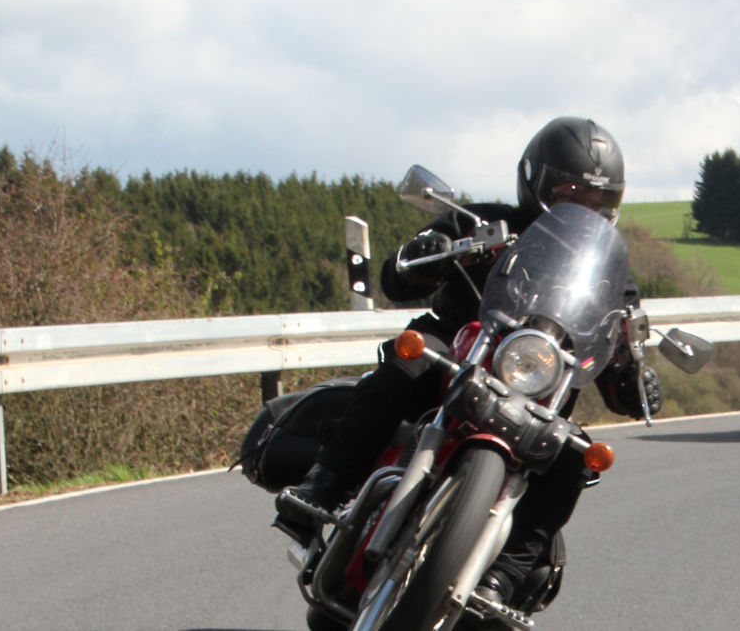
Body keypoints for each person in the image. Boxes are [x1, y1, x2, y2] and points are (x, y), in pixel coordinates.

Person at [276, 116, 662, 612]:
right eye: (569, 192)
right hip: (460, 349)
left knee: (574, 463)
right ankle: (323, 486)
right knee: (401, 371)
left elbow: (614, 349)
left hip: (538, 388)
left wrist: (636, 380)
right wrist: (427, 252)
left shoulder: (611, 276)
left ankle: (501, 581)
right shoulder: (479, 222)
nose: (583, 207)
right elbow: (397, 279)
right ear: (536, 183)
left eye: (597, 202)